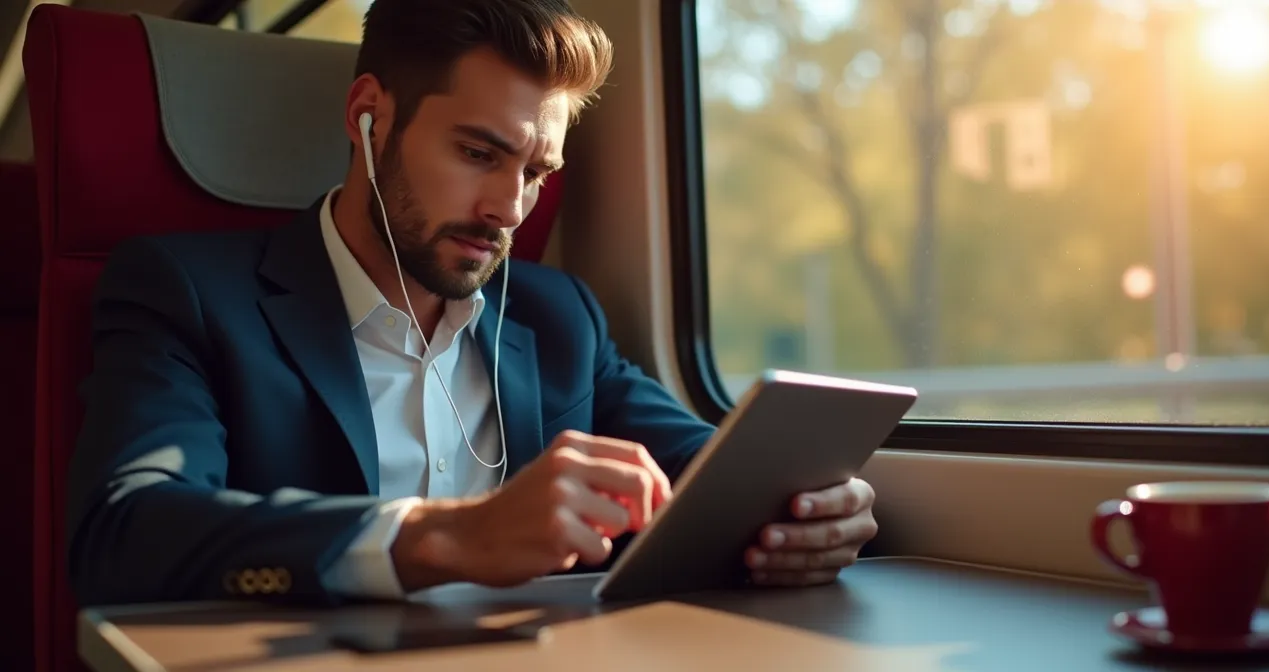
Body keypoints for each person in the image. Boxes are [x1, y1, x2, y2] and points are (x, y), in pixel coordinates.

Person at [65, 0, 879, 606]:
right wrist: (445, 535)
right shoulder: (188, 293)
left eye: (536, 172)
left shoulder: (558, 319)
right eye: (478, 153)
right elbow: (123, 533)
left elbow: (714, 474)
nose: (509, 209)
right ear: (369, 117)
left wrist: (807, 514)